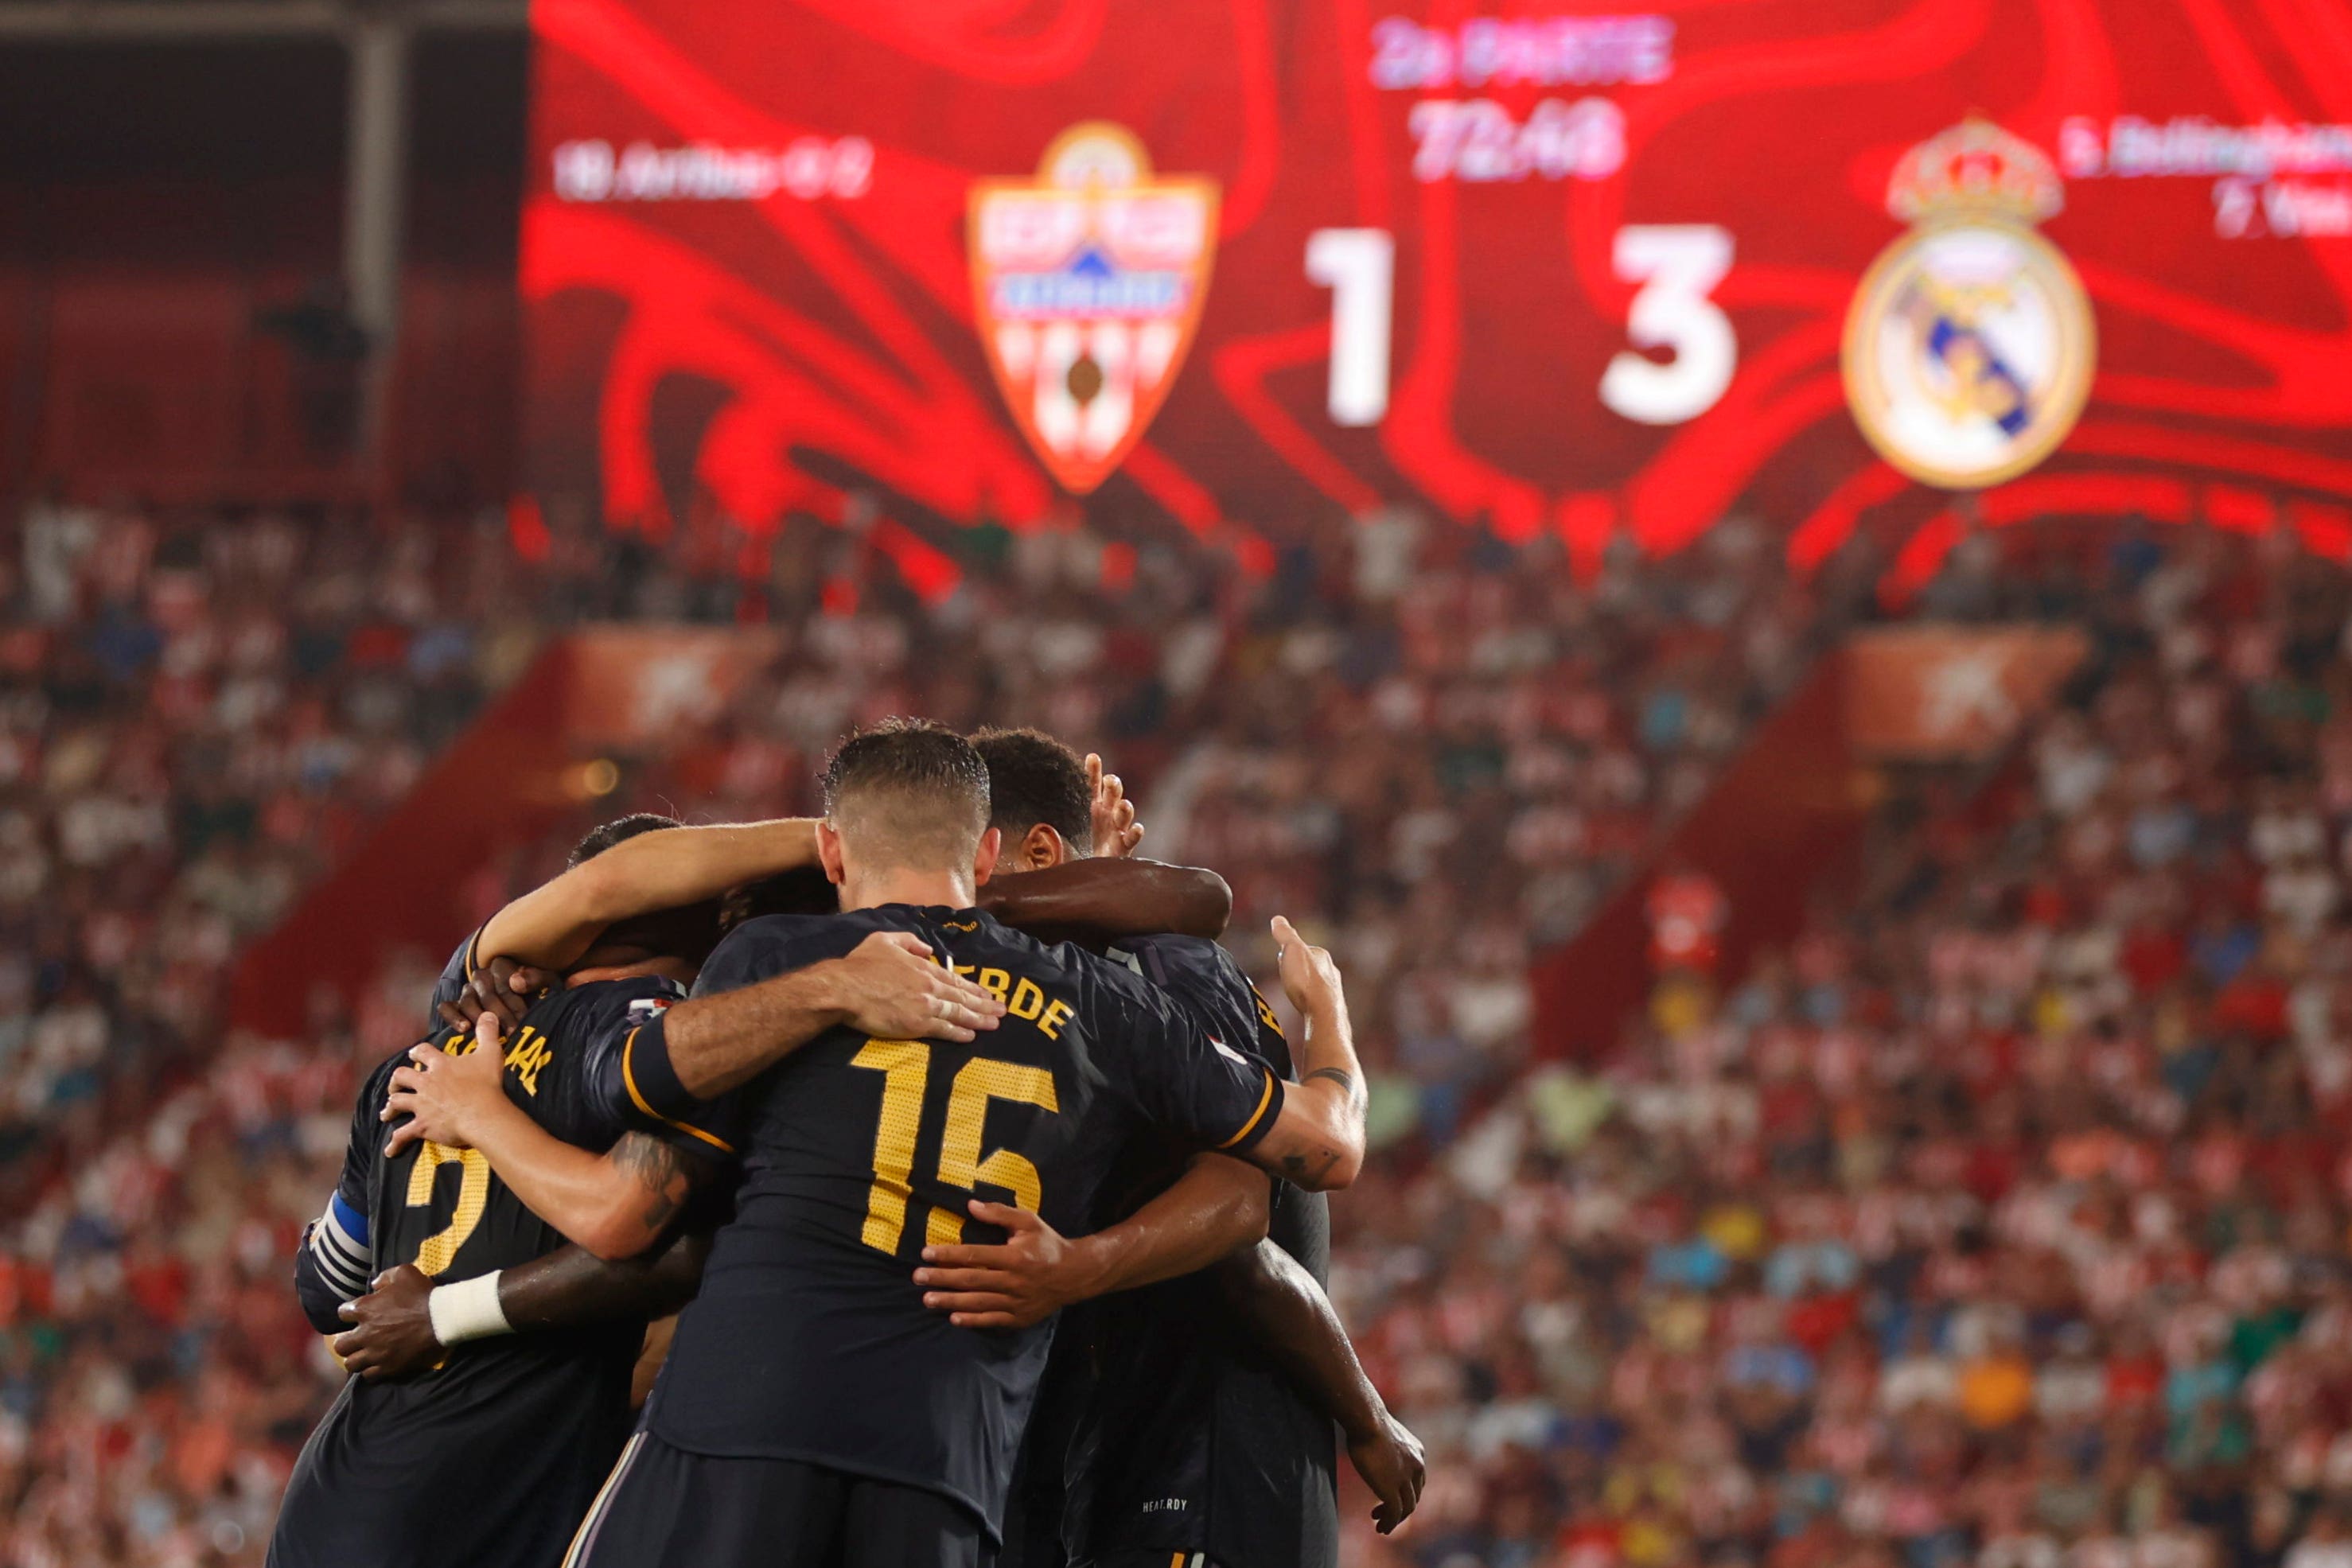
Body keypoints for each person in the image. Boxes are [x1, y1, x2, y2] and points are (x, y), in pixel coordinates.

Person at [392, 718, 1369, 1568]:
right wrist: (1327, 1026)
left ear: (829, 848)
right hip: (946, 1462)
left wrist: (484, 1096)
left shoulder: (774, 958)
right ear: (987, 855)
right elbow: (1321, 1149)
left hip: (743, 1415)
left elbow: (636, 1134)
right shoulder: (1107, 1005)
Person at [270, 814, 999, 1568]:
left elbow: (329, 1291)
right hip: (484, 1509)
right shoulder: (670, 1047)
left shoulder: (422, 1054)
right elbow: (667, 1250)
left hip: (338, 1501)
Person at [930, 727, 1423, 1568]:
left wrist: (1365, 1416)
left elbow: (1237, 1228)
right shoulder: (1097, 973)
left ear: (1037, 850)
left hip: (1207, 1467)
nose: (948, 902)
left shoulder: (1153, 972)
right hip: (1148, 1463)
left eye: (962, 866)